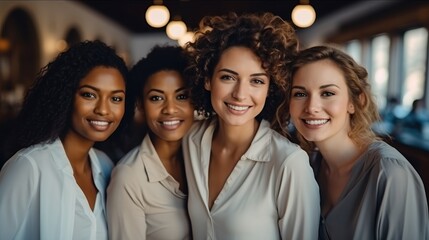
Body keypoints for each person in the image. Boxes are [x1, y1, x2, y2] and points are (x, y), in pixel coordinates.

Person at [183, 12, 320, 239]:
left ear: (271, 88)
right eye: (228, 77)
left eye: (256, 81)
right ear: (208, 79)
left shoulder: (289, 163)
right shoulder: (191, 139)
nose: (240, 94)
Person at [288, 45, 429, 239]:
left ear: (355, 102)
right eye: (300, 94)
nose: (312, 107)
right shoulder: (308, 166)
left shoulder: (390, 173)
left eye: (328, 93)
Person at [0, 40, 131, 240]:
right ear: (66, 96)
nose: (103, 110)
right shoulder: (29, 167)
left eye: (116, 98)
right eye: (89, 95)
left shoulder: (106, 166)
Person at [106, 45, 194, 240]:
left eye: (181, 96)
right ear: (141, 105)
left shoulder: (207, 156)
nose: (170, 109)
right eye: (156, 98)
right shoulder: (129, 177)